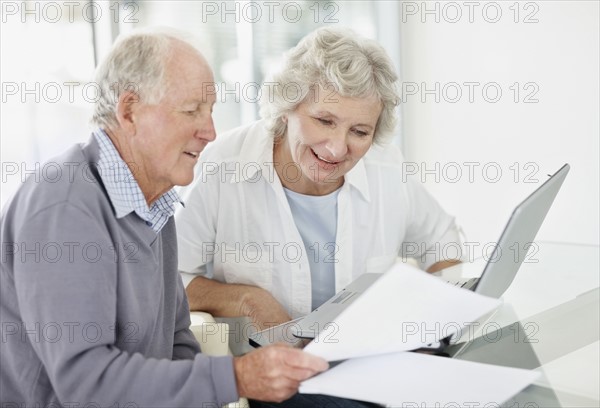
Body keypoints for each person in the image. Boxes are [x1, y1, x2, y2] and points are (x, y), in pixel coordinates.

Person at [0, 28, 331, 406]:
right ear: (129, 112)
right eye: (191, 111)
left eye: (210, 112)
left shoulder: (155, 204)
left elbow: (177, 343)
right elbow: (86, 384)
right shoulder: (64, 208)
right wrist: (236, 377)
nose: (210, 132)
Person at [176, 26, 463, 331]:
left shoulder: (386, 167)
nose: (337, 148)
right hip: (259, 368)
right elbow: (173, 278)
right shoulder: (223, 165)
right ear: (287, 106)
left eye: (360, 131)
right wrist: (247, 298)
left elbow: (442, 240)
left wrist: (432, 322)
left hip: (365, 363)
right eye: (324, 121)